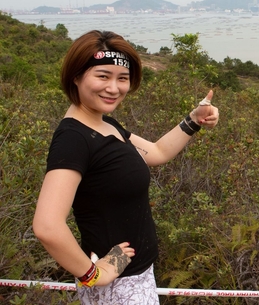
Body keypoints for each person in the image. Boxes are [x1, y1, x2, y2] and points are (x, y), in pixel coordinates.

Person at [32, 30, 219, 304]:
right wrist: (94, 275)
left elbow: (156, 151)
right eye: (102, 76)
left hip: (136, 278)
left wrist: (194, 120)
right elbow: (47, 226)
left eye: (122, 78)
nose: (114, 88)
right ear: (76, 76)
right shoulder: (74, 139)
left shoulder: (105, 124)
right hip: (117, 289)